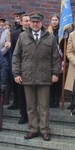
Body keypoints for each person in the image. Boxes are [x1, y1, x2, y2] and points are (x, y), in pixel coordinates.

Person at [12, 12, 61, 141]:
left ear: (41, 23)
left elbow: (56, 58)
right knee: (31, 106)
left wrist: (56, 73)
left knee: (44, 106)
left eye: (37, 22)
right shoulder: (22, 37)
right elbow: (16, 56)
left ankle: (45, 130)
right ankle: (33, 129)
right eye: (32, 22)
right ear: (29, 23)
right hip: (27, 76)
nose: (34, 24)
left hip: (44, 77)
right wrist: (16, 73)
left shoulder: (50, 37)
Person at [7, 14, 30, 125]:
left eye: (29, 21)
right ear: (21, 22)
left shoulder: (35, 34)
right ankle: (23, 115)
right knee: (21, 94)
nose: (28, 23)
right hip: (21, 69)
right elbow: (13, 53)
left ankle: (32, 116)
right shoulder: (15, 35)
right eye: (25, 21)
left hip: (32, 69)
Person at [47, 14, 63, 108]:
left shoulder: (62, 32)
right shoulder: (47, 32)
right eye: (52, 20)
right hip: (49, 58)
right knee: (50, 79)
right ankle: (51, 98)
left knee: (58, 79)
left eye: (56, 20)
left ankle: (57, 98)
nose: (54, 21)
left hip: (60, 58)